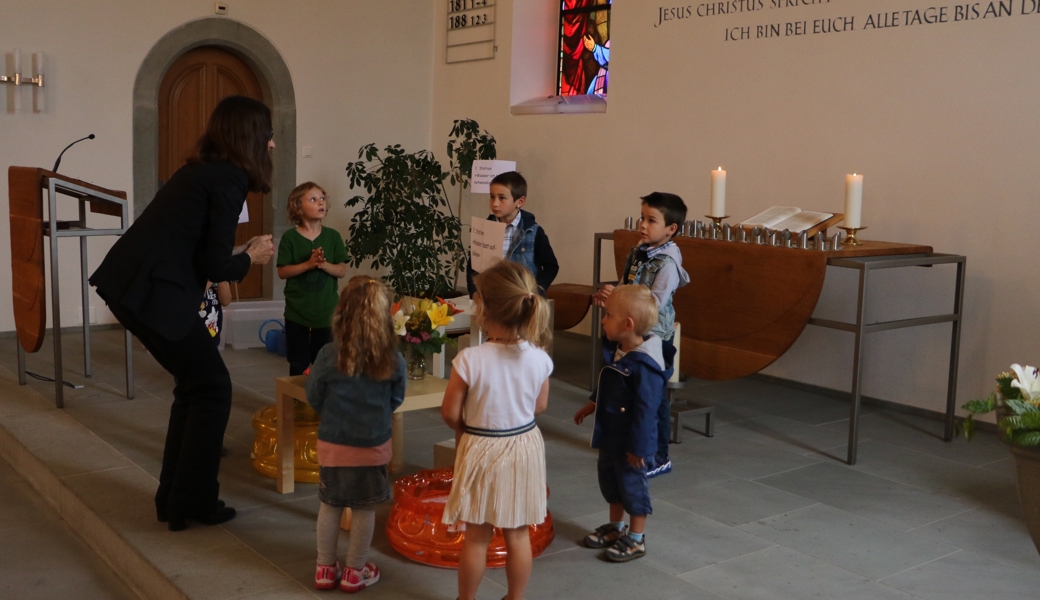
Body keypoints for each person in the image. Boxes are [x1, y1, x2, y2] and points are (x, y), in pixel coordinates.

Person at [89, 95, 276, 531]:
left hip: (136, 284)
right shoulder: (228, 179)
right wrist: (252, 257)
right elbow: (214, 265)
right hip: (153, 290)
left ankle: (177, 501)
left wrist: (240, 255)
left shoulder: (202, 170)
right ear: (250, 136)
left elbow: (198, 251)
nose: (271, 145)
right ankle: (193, 501)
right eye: (267, 135)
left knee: (196, 388)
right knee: (212, 388)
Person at [442, 260, 553, 600]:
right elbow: (540, 406)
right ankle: (515, 597)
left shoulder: (470, 360)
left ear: (485, 310)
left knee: (477, 536)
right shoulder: (539, 357)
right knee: (518, 533)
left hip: (482, 446)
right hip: (524, 445)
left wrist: (468, 426)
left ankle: (466, 599)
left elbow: (450, 412)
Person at [306, 276, 405, 593]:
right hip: (372, 446)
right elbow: (396, 398)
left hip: (334, 445)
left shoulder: (327, 354)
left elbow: (313, 395)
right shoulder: (392, 358)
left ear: (341, 314)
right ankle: (355, 571)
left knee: (330, 505)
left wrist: (333, 415)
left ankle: (324, 568)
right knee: (364, 509)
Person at [574, 284, 673, 562]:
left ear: (627, 324)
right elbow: (610, 383)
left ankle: (637, 539)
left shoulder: (646, 366)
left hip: (631, 442)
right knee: (611, 483)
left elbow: (647, 412)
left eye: (607, 315)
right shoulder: (621, 350)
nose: (603, 320)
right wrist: (592, 405)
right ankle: (617, 528)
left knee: (632, 487)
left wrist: (640, 449)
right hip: (611, 435)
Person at [594, 191, 688, 477]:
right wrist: (612, 295)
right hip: (630, 331)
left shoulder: (668, 264)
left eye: (651, 220)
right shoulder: (638, 251)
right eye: (642, 218)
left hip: (653, 336)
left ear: (671, 229)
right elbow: (626, 285)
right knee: (627, 388)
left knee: (654, 397)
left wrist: (622, 300)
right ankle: (623, 438)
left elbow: (653, 304)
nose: (643, 225)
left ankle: (659, 454)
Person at [277, 182, 348, 375]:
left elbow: (342, 270)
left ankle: (321, 402)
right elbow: (282, 272)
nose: (320, 203)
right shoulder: (290, 238)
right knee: (298, 363)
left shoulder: (333, 237)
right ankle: (298, 403)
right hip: (296, 313)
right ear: (298, 207)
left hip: (326, 313)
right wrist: (307, 264)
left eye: (322, 199)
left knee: (325, 363)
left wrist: (323, 264)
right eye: (313, 199)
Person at [466, 171, 558, 297]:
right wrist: (475, 292)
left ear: (520, 202)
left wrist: (537, 290)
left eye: (502, 198)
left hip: (523, 302)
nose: (495, 203)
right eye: (492, 196)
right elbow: (473, 267)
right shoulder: (485, 229)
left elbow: (550, 266)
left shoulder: (533, 232)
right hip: (492, 299)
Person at [200, 280, 232, 346]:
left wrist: (221, 278)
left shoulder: (215, 272)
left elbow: (225, 301)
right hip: (189, 333)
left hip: (212, 333)